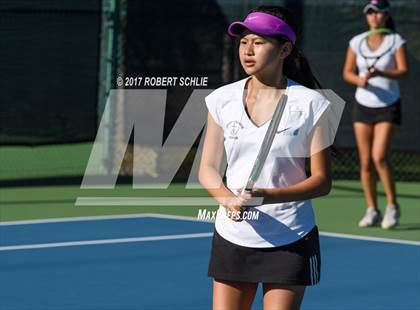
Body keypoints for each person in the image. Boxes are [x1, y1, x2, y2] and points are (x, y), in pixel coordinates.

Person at [198, 5, 333, 310]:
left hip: (291, 238)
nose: (248, 50)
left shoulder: (313, 104)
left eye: (258, 43)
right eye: (244, 42)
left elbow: (322, 181)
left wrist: (268, 196)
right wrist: (226, 199)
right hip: (233, 236)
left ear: (284, 49)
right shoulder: (221, 100)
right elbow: (207, 168)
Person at [342, 0, 408, 229]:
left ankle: (392, 206)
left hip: (388, 105)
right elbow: (347, 73)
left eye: (379, 13)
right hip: (363, 105)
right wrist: (359, 80)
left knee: (379, 156)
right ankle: (372, 209)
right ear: (366, 16)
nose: (374, 17)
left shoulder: (395, 41)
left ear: (386, 16)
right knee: (365, 161)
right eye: (370, 13)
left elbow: (403, 70)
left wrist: (381, 71)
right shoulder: (356, 42)